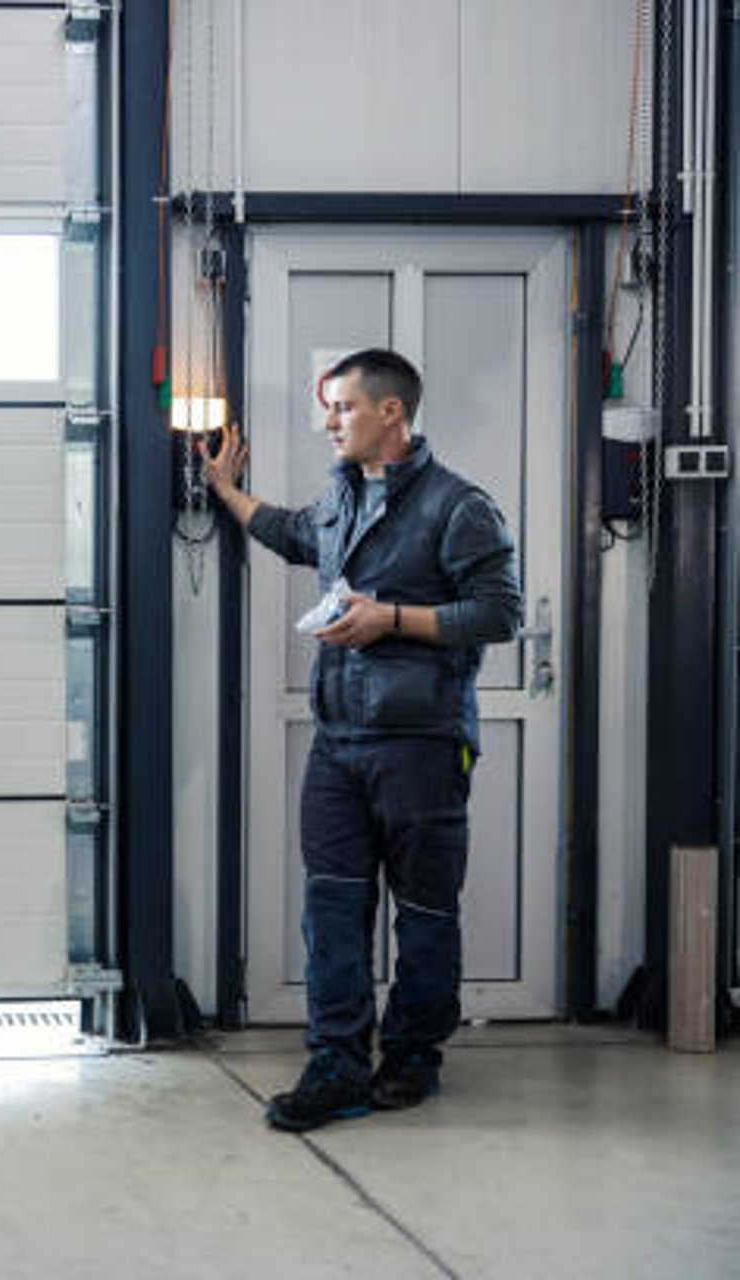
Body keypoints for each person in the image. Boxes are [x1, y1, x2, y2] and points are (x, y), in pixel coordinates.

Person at [201, 348, 522, 1132]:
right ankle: (337, 1063)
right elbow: (292, 533)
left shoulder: (459, 507)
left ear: (390, 413)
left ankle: (413, 1056)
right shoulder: (340, 498)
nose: (329, 422)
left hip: (422, 744)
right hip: (338, 744)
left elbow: (500, 612)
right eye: (329, 409)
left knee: (423, 911)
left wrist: (393, 619)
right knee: (333, 910)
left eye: (343, 408)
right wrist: (225, 492)